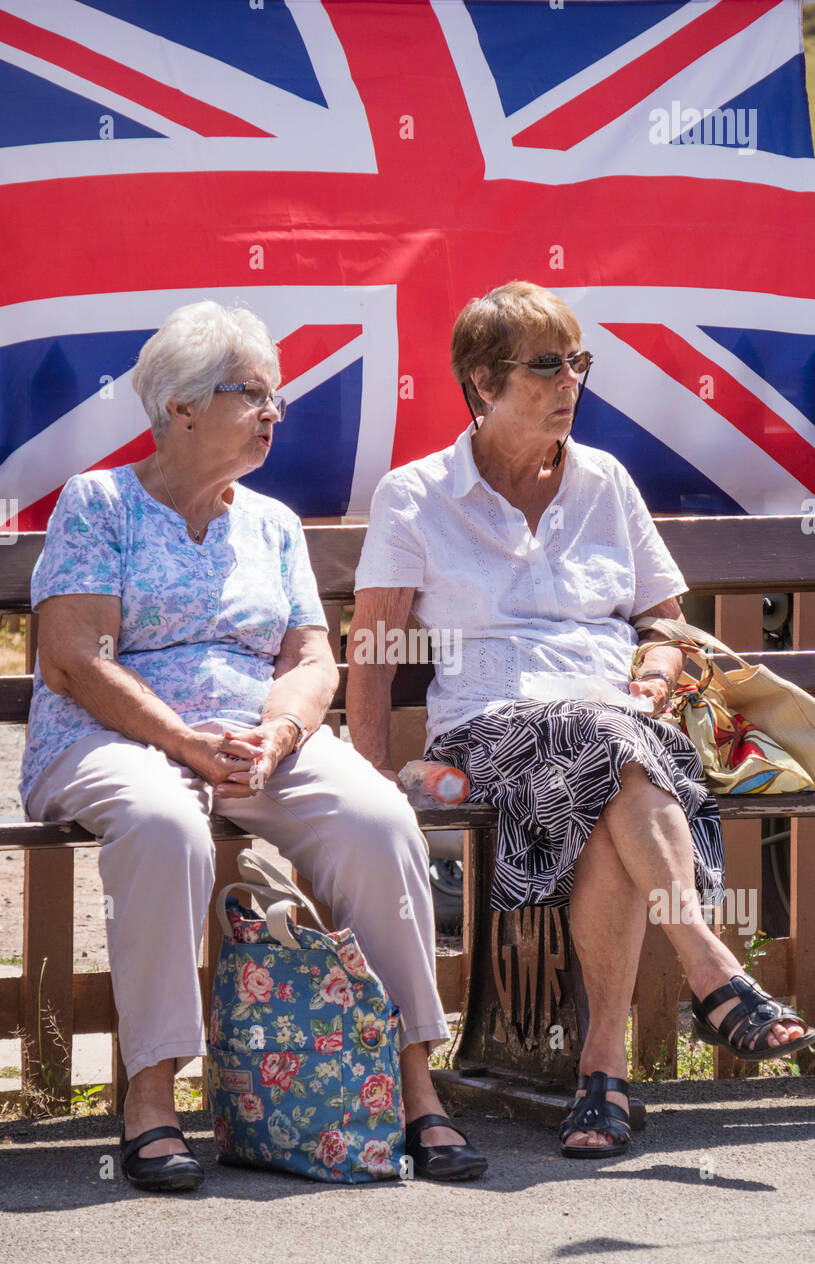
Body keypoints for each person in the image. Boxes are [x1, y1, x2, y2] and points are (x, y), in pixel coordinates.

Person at [20, 300, 487, 1191]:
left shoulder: (271, 523)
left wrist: (277, 733)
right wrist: (181, 741)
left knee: (380, 820)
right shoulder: (100, 502)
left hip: (252, 742)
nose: (276, 412)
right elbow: (75, 658)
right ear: (180, 408)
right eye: (253, 395)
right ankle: (151, 1098)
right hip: (113, 737)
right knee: (163, 824)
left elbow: (311, 656)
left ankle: (414, 1087)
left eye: (278, 397)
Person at [347, 280, 815, 1160]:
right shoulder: (417, 493)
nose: (570, 382)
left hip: (617, 727)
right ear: (481, 384)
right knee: (611, 749)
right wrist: (371, 775)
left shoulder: (603, 479)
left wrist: (650, 673)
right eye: (547, 365)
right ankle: (712, 971)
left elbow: (665, 623)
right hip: (489, 730)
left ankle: (599, 1078)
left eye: (578, 362)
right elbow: (371, 647)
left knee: (611, 766)